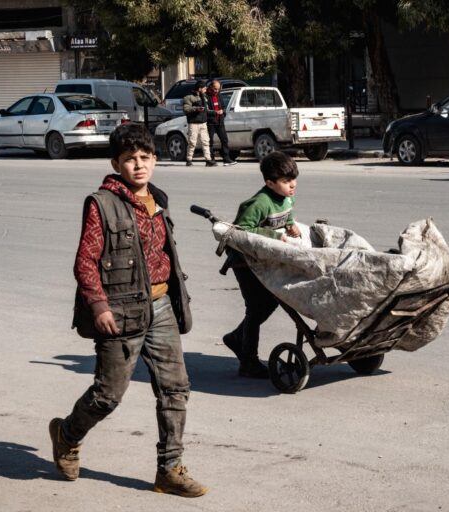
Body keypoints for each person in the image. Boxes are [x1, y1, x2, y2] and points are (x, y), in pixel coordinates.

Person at [49, 123, 207, 498]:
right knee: (108, 395)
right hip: (120, 312)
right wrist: (99, 305)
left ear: (155, 159)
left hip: (162, 305)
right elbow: (85, 261)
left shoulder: (159, 199)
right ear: (116, 163)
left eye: (145, 157)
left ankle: (169, 469)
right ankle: (67, 434)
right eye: (130, 159)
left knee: (175, 388)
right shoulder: (101, 204)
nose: (139, 165)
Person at [221, 152, 302, 378]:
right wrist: (276, 237)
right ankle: (248, 362)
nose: (292, 185)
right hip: (244, 261)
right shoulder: (259, 203)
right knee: (256, 307)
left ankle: (237, 338)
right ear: (270, 183)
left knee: (269, 303)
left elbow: (286, 213)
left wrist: (291, 225)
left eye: (294, 179)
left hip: (264, 259)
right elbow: (240, 231)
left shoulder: (287, 196)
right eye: (286, 181)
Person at [204, 80, 237, 166]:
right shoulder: (206, 96)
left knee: (224, 139)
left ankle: (226, 158)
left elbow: (223, 106)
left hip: (219, 121)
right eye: (215, 89)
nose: (216, 91)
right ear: (211, 87)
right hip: (210, 122)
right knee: (210, 141)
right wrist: (215, 112)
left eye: (218, 89)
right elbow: (205, 110)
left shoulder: (219, 95)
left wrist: (223, 113)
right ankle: (211, 159)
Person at [183, 80, 215, 167]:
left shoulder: (205, 96)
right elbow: (186, 109)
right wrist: (196, 109)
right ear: (200, 88)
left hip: (203, 123)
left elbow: (207, 109)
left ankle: (208, 160)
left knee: (206, 141)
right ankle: (189, 159)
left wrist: (214, 112)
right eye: (204, 88)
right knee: (192, 142)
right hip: (193, 123)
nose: (206, 89)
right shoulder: (189, 97)